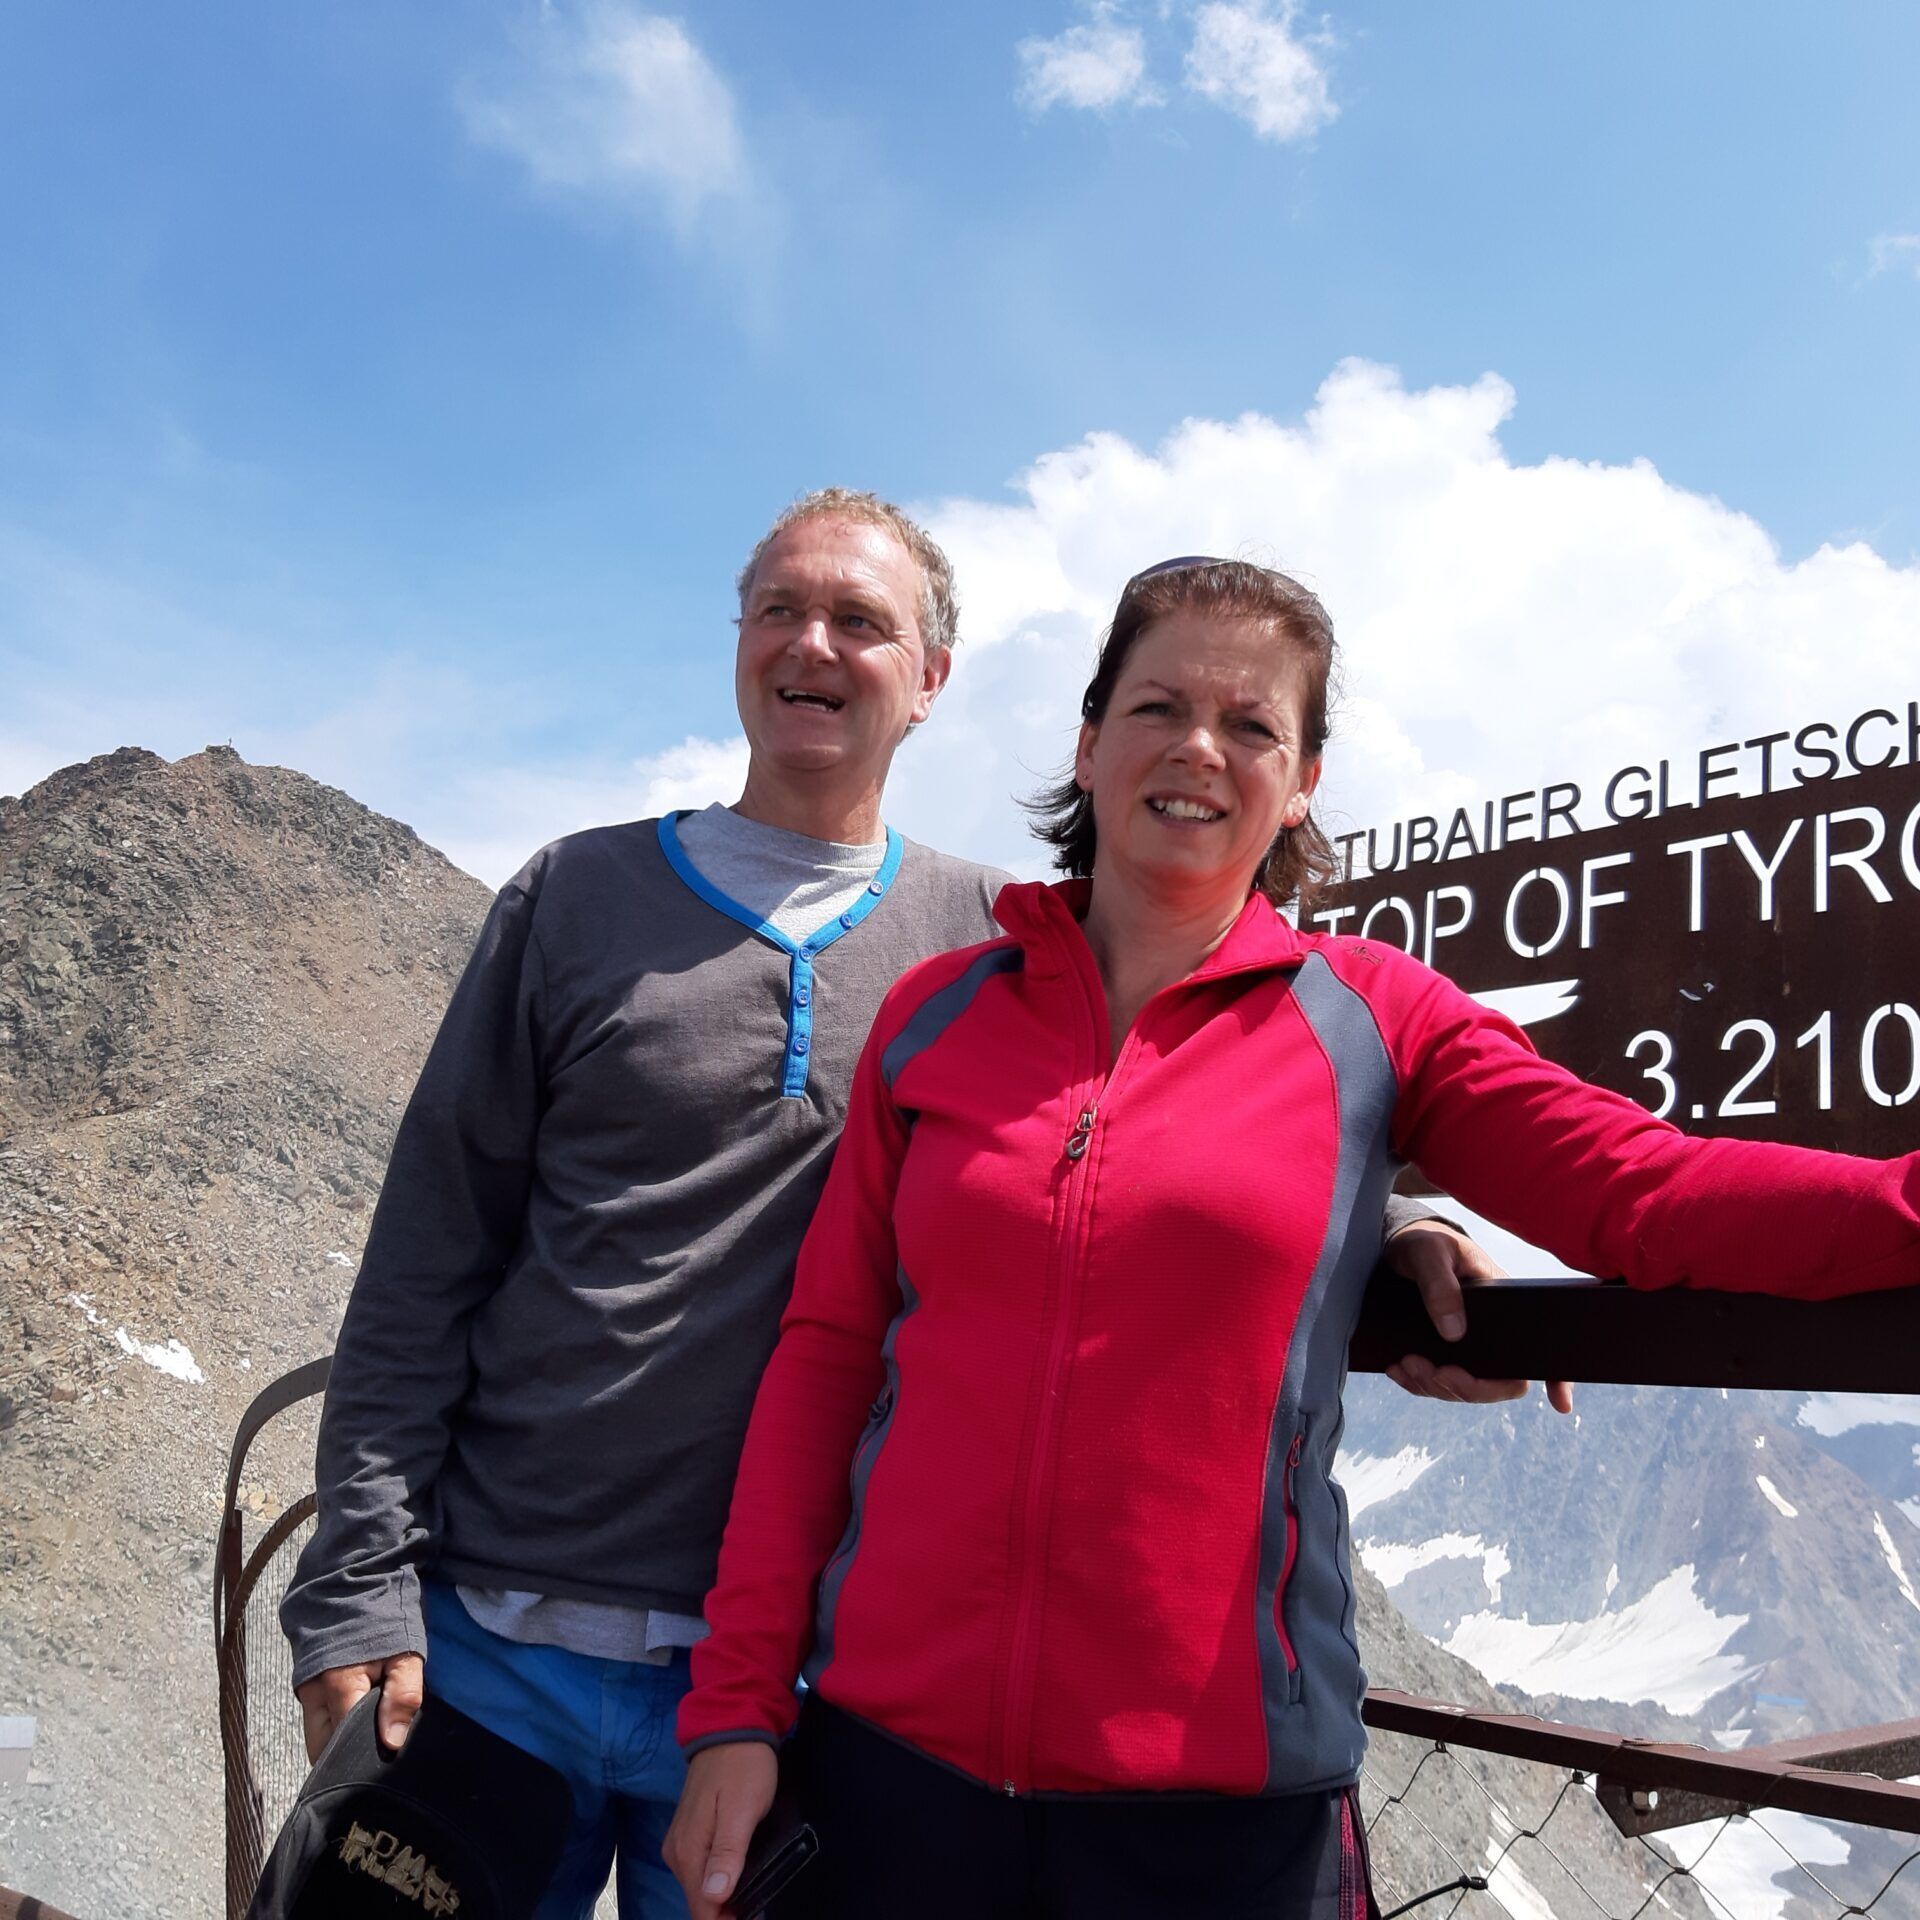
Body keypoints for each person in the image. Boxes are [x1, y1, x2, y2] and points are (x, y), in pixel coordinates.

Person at [666, 556, 1920, 1920]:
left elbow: (1642, 1193)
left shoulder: (1377, 1018)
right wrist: (736, 1713)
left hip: (1223, 1827)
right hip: (888, 1786)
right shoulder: (936, 1016)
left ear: (1302, 780)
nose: (1200, 747)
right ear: (1088, 745)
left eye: (1254, 724)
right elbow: (829, 1357)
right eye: (1158, 706)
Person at [280, 505, 1488, 1920]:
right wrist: (358, 1581)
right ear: (737, 646)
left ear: (932, 680)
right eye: (780, 610)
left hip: (786, 1692)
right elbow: (427, 1260)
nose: (814, 645)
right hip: (490, 1645)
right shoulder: (572, 896)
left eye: (863, 623)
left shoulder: (996, 944)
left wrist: (1397, 1228)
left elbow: (1197, 1112)